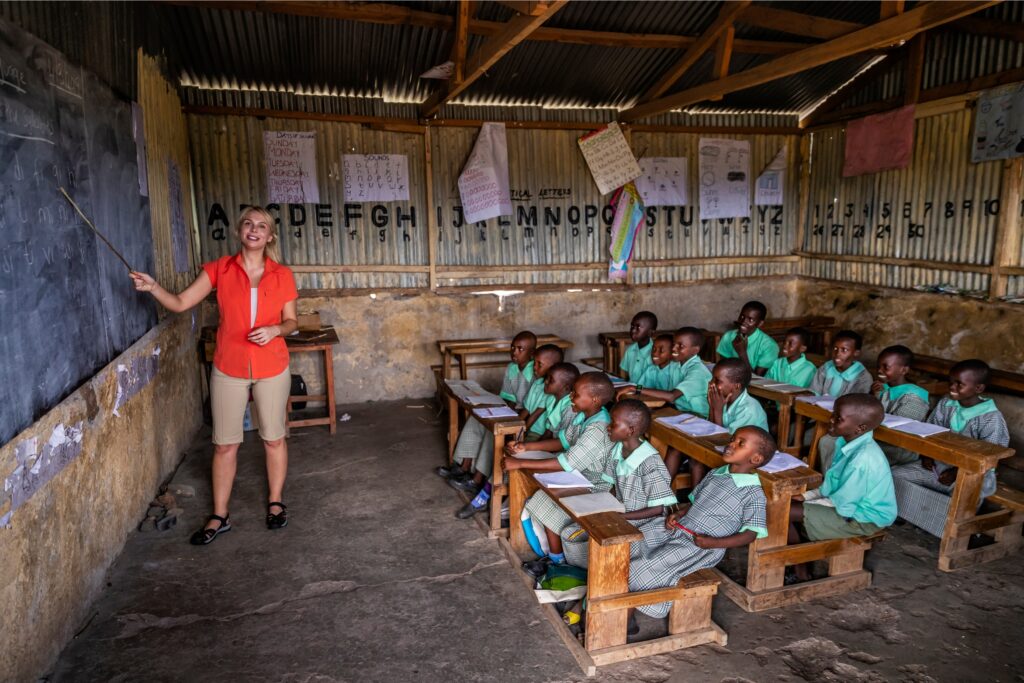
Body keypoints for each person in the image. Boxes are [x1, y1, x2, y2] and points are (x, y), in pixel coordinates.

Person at [130, 206, 298, 545]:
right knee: (224, 445)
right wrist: (154, 288)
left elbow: (292, 322)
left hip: (272, 366)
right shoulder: (219, 269)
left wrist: (276, 329)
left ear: (270, 236)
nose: (254, 229)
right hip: (229, 366)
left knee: (274, 438)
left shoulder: (282, 274)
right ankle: (220, 515)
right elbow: (178, 303)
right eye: (248, 224)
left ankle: (276, 502)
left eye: (261, 226)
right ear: (239, 232)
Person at [626, 426, 774, 620]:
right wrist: (679, 514)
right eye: (733, 439)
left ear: (755, 459)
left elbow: (751, 534)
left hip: (699, 545)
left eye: (740, 444)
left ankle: (627, 618)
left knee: (645, 566)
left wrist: (713, 543)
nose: (731, 444)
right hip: (680, 529)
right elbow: (696, 503)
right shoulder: (716, 474)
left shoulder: (753, 494)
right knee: (631, 543)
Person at [505, 373, 615, 572]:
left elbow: (567, 462)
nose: (571, 396)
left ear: (594, 399)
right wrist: (526, 447)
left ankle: (560, 564)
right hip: (579, 474)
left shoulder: (598, 428)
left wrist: (520, 464)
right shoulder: (584, 416)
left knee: (550, 507)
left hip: (596, 483)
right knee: (540, 501)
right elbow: (564, 442)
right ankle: (555, 557)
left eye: (576, 393)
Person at [891, 360, 1009, 538]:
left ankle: (952, 533)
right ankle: (923, 517)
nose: (952, 387)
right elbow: (929, 432)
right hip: (937, 468)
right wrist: (926, 456)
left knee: (963, 500)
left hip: (973, 475)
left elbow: (990, 458)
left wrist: (956, 472)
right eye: (951, 381)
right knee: (894, 476)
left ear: (978, 388)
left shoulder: (991, 418)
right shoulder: (946, 404)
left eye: (959, 384)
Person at [788, 394, 896, 581]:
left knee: (782, 512)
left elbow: (842, 503)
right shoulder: (845, 442)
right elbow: (831, 486)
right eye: (833, 413)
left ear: (860, 427)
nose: (830, 419)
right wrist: (806, 497)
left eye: (838, 418)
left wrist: (807, 504)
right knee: (784, 506)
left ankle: (801, 572)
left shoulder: (863, 459)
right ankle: (795, 556)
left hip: (861, 518)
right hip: (846, 506)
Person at [559, 400, 677, 569]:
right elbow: (612, 487)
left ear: (631, 430)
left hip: (645, 522)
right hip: (621, 513)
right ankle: (589, 573)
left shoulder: (649, 462)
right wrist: (602, 507)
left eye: (613, 424)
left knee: (599, 543)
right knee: (570, 533)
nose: (608, 427)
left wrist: (620, 517)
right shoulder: (617, 450)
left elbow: (659, 509)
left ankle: (599, 574)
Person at [455, 344, 563, 519]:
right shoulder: (539, 384)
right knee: (497, 436)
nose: (534, 367)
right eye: (534, 364)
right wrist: (515, 428)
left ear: (553, 368)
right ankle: (478, 481)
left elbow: (540, 421)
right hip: (527, 430)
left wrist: (523, 438)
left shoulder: (552, 393)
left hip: (537, 436)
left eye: (538, 365)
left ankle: (485, 496)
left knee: (509, 453)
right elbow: (527, 410)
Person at [438, 331, 537, 495]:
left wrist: (504, 415)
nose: (514, 352)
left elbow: (530, 408)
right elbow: (508, 396)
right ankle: (464, 467)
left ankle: (476, 480)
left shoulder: (535, 373)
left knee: (494, 429)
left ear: (532, 353)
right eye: (513, 347)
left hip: (522, 417)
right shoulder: (512, 368)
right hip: (510, 408)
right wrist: (498, 409)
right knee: (477, 418)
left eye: (521, 349)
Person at [692, 358, 770, 487]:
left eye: (717, 381)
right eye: (712, 378)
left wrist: (716, 410)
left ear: (736, 386)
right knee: (695, 460)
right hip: (726, 451)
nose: (711, 383)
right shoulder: (722, 399)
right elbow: (711, 432)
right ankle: (697, 501)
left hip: (746, 459)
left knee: (699, 462)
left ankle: (701, 501)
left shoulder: (749, 409)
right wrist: (713, 407)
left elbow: (724, 441)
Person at [649, 327, 712, 479]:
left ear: (695, 350)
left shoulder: (697, 371)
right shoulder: (677, 365)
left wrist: (636, 388)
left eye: (680, 346)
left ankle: (686, 498)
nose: (674, 348)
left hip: (701, 420)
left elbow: (671, 396)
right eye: (674, 344)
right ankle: (661, 495)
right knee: (668, 443)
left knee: (687, 454)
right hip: (682, 414)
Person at [871, 345, 931, 466]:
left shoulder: (914, 397)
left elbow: (898, 430)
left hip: (898, 450)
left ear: (903, 370)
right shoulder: (884, 388)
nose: (879, 371)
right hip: (878, 439)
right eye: (878, 366)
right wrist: (874, 395)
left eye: (885, 367)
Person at [715, 301, 778, 376]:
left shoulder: (769, 346)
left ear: (760, 323)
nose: (744, 321)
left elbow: (758, 379)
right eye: (742, 316)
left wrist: (742, 353)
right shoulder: (728, 336)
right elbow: (724, 369)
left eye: (750, 319)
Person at [809, 330, 871, 397]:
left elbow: (856, 403)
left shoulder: (863, 377)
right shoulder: (826, 367)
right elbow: (814, 392)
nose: (838, 353)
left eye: (844, 350)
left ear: (856, 353)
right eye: (835, 348)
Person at [617, 334, 676, 401]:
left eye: (661, 350)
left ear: (672, 353)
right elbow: (641, 386)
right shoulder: (651, 369)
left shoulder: (676, 370)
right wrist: (633, 389)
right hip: (659, 403)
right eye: (654, 349)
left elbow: (672, 395)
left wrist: (633, 388)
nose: (655, 353)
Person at [619, 311, 658, 381]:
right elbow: (626, 376)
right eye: (632, 326)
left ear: (650, 332)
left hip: (648, 391)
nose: (633, 330)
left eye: (638, 327)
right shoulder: (630, 350)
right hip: (632, 390)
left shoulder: (655, 353)